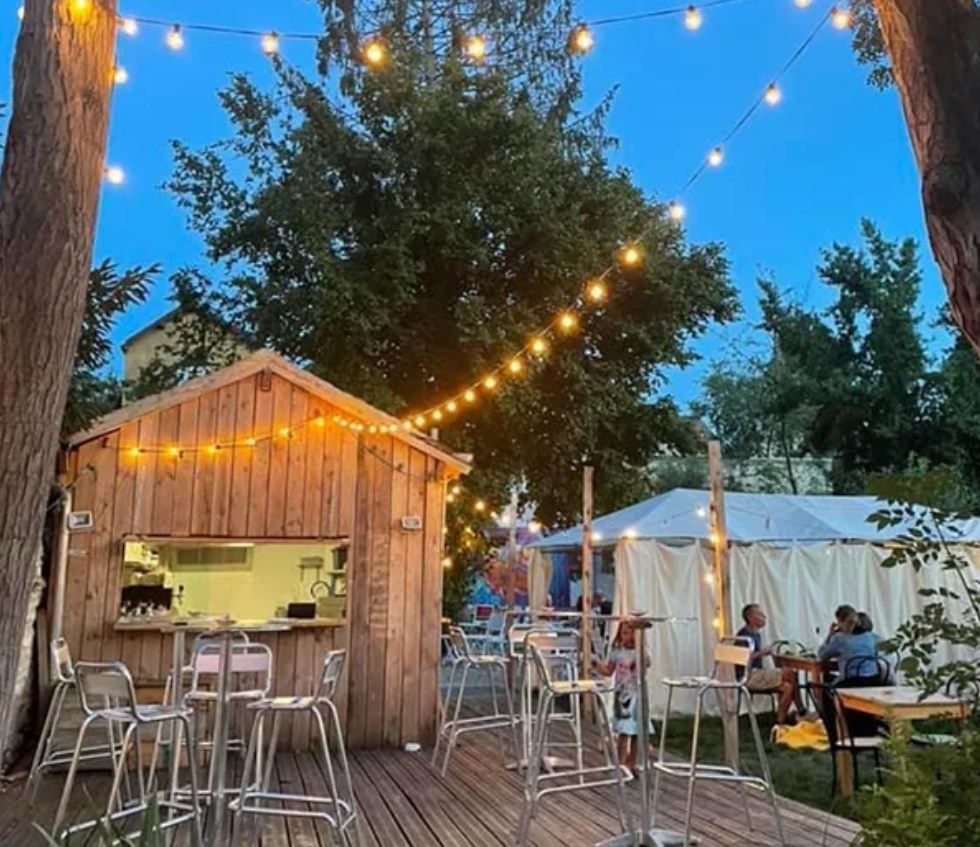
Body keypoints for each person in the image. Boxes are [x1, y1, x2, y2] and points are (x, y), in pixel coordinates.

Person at [736, 603, 807, 725]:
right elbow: (743, 658)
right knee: (791, 673)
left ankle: (780, 722)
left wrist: (769, 653)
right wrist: (764, 652)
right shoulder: (744, 636)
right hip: (749, 675)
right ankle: (801, 710)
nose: (764, 616)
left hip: (757, 673)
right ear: (750, 617)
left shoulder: (756, 634)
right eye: (759, 614)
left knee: (788, 687)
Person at [598, 620, 653, 773]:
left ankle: (632, 762)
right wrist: (597, 666)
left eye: (628, 632)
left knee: (636, 731)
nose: (625, 635)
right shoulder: (617, 652)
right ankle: (621, 764)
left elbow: (648, 663)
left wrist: (641, 646)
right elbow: (609, 671)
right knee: (623, 731)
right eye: (623, 632)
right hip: (622, 696)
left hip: (637, 695)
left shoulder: (640, 652)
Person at [819, 609, 885, 683]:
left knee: (825, 679)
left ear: (841, 623)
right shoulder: (873, 637)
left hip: (850, 681)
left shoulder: (840, 639)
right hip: (873, 680)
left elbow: (822, 655)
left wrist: (830, 635)